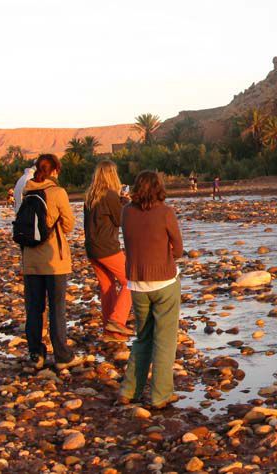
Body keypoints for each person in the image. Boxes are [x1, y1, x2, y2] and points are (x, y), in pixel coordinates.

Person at [119, 171, 184, 409]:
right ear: (159, 188)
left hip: (137, 284)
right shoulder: (166, 212)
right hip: (164, 283)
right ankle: (161, 395)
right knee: (164, 342)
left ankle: (129, 391)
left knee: (143, 337)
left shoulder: (126, 211)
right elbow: (177, 249)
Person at [21, 154, 83, 371]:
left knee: (34, 308)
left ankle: (35, 354)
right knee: (57, 308)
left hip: (30, 258)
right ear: (55, 170)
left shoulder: (25, 190)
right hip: (54, 259)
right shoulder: (57, 193)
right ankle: (62, 355)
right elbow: (68, 224)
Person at [84, 160, 133, 343]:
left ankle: (110, 332)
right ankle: (117, 320)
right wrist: (126, 202)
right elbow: (120, 220)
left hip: (92, 247)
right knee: (131, 280)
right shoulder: (110, 195)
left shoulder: (90, 196)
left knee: (107, 287)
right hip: (107, 247)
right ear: (112, 175)